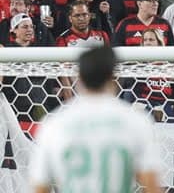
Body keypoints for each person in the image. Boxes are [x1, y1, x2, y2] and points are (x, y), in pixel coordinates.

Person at [28, 46, 163, 193]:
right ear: (114, 77)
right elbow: (151, 185)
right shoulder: (136, 121)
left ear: (79, 77)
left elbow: (40, 187)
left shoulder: (54, 124)